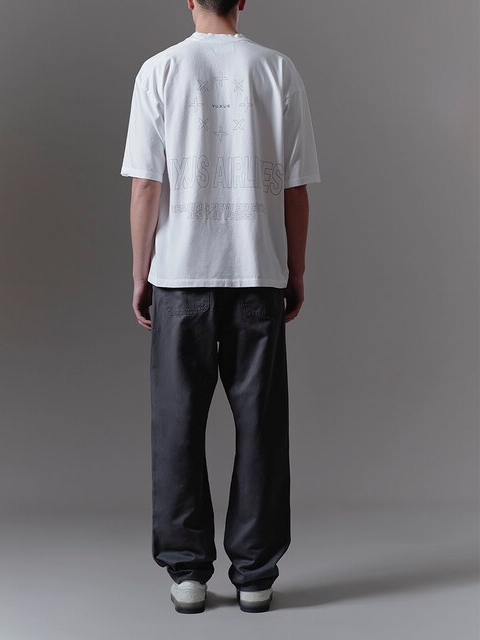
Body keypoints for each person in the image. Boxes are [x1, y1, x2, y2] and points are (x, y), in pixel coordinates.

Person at [120, 0, 321, 614]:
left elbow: (147, 184)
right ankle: (255, 575)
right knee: (261, 426)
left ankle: (187, 573)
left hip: (180, 277)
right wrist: (295, 269)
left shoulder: (159, 70)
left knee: (177, 423)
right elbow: (294, 186)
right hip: (257, 274)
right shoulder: (276, 70)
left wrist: (141, 271)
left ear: (189, 0)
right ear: (243, 1)